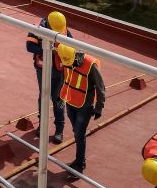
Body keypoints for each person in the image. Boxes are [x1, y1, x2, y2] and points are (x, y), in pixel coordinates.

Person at [56, 43, 105, 175]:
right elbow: (66, 79)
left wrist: (99, 107)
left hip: (84, 106)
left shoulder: (90, 65)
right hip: (70, 102)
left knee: (79, 133)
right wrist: (61, 97)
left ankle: (80, 163)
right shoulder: (67, 59)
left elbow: (100, 87)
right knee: (76, 132)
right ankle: (78, 160)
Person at [25, 10, 71, 143]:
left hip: (59, 70)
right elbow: (29, 46)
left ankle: (59, 130)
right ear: (49, 24)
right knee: (43, 97)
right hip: (43, 69)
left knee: (59, 100)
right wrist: (48, 49)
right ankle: (42, 125)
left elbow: (72, 44)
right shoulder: (37, 30)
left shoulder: (63, 29)